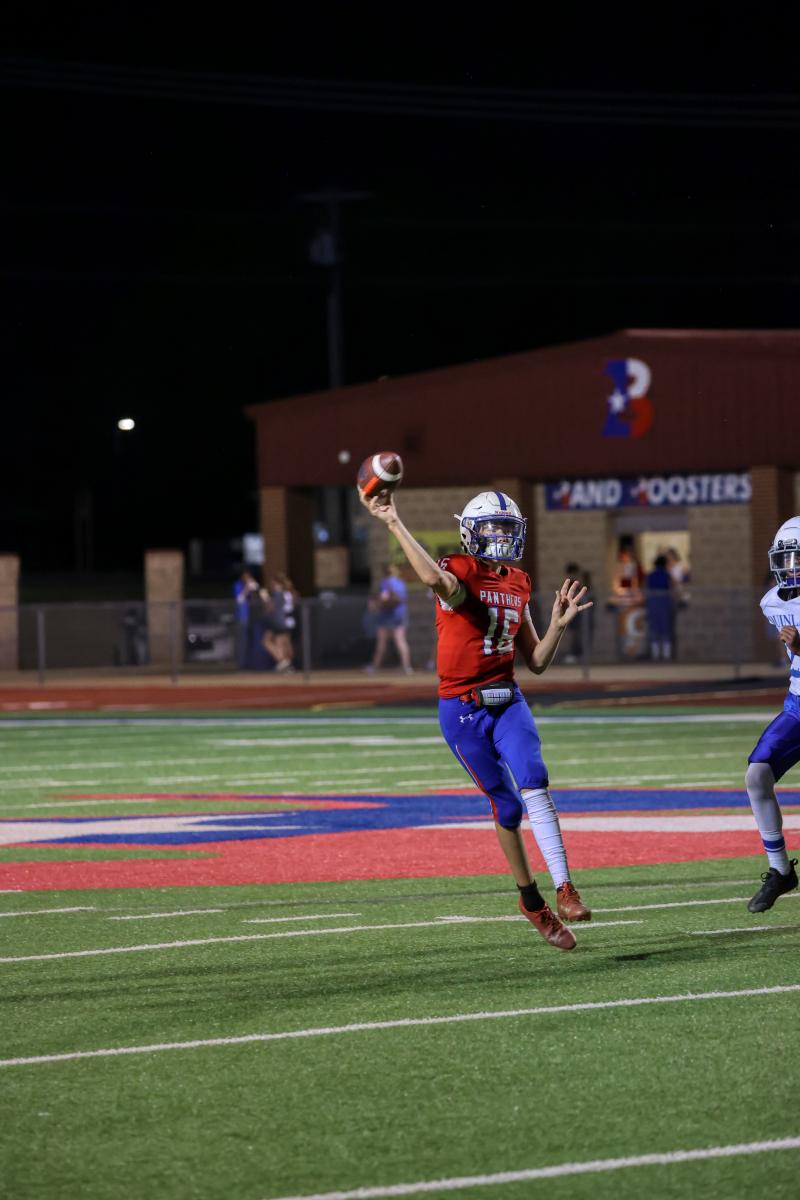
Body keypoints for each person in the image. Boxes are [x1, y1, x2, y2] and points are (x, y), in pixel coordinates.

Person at [360, 485, 593, 952]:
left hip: (507, 699)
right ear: (470, 533)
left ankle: (566, 888)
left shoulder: (519, 581)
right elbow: (434, 579)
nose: (501, 537)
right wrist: (392, 521)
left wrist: (557, 625)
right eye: (492, 528)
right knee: (507, 808)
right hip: (462, 708)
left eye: (507, 529)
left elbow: (537, 661)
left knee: (535, 779)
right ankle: (532, 902)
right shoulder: (459, 569)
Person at [745, 516, 800, 913]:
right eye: (787, 558)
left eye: (798, 558)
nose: (790, 567)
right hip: (798, 705)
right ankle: (780, 870)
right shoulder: (772, 602)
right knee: (757, 775)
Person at [365, 562, 413, 674]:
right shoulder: (401, 583)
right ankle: (407, 667)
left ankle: (375, 667)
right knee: (400, 641)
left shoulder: (386, 583)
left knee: (382, 643)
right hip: (399, 614)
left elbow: (385, 598)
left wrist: (375, 604)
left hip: (388, 615)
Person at [645, 554, 674, 660]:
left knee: (654, 626)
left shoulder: (650, 575)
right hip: (664, 601)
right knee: (665, 627)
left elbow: (646, 588)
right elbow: (672, 588)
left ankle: (655, 654)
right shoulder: (667, 575)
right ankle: (666, 654)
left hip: (653, 602)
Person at [562, 561, 592, 664]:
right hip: (573, 612)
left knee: (579, 634)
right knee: (575, 634)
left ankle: (579, 654)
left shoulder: (577, 583)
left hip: (578, 612)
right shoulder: (571, 583)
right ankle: (574, 654)